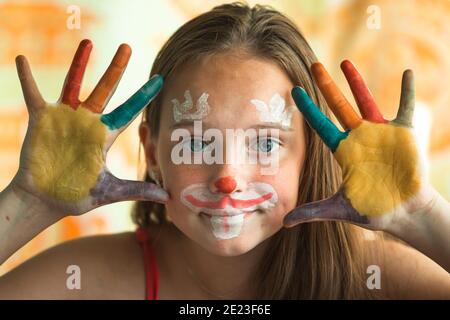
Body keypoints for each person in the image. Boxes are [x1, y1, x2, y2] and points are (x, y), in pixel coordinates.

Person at [0, 2, 449, 299]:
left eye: (267, 143)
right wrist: (28, 202)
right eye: (195, 141)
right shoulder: (86, 277)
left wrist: (422, 215)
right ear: (153, 153)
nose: (227, 177)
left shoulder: (374, 278)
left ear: (310, 155)